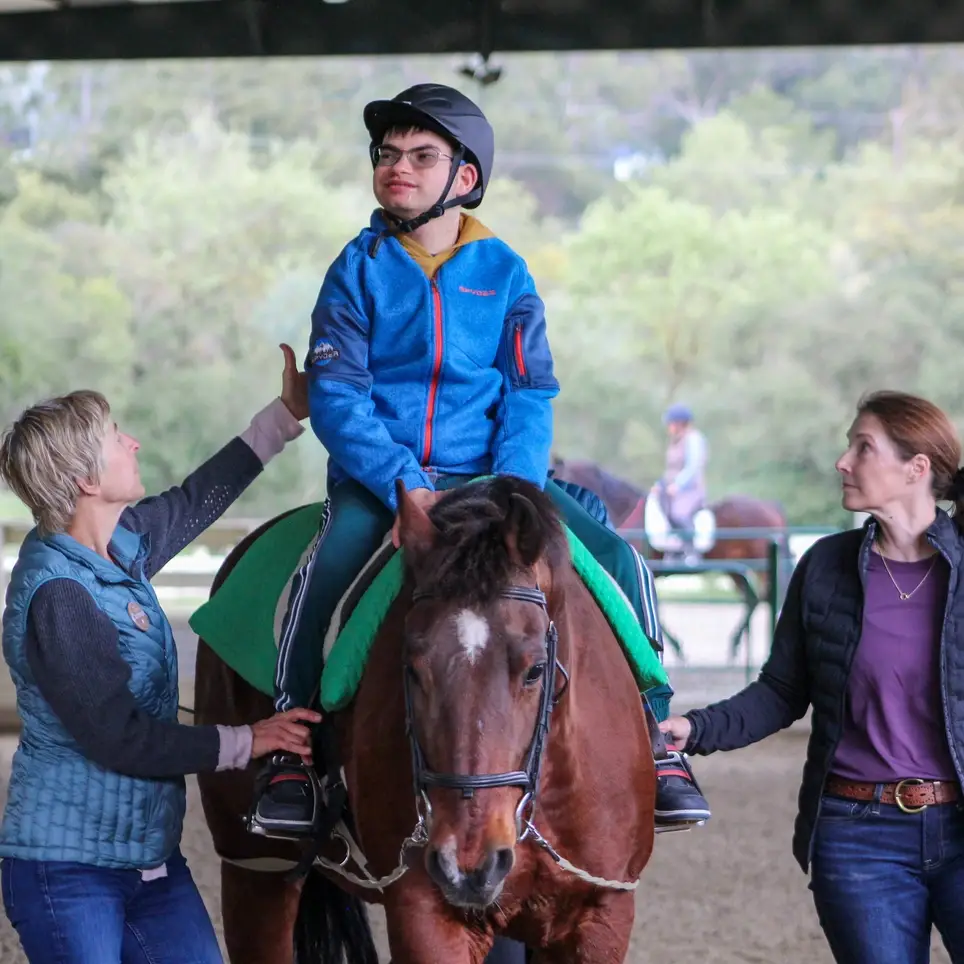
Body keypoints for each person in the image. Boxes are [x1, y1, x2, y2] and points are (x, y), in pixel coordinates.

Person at [252, 82, 710, 842]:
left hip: (498, 480)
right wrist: (405, 486)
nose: (398, 166)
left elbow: (531, 391)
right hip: (386, 484)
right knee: (322, 574)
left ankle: (658, 739)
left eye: (421, 155)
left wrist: (513, 490)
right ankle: (291, 754)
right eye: (388, 154)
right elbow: (337, 395)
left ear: (464, 177)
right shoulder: (354, 271)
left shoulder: (507, 273)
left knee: (616, 562)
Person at [0, 345, 321, 964]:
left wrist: (285, 414)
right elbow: (123, 740)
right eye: (118, 436)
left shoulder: (124, 544)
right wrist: (247, 740)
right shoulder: (59, 595)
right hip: (67, 876)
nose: (135, 443)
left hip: (150, 863)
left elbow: (200, 496)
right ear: (86, 481)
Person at [659, 389, 964, 964]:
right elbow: (781, 693)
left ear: (915, 468)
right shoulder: (824, 566)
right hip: (858, 838)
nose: (842, 461)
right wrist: (695, 729)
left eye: (862, 446)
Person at [652, 403, 708, 564]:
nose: (668, 427)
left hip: (691, 490)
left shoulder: (694, 439)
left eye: (671, 423)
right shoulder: (675, 441)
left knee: (679, 513)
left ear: (680, 423)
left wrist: (678, 484)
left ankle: (692, 551)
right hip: (673, 489)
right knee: (662, 511)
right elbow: (671, 469)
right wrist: (660, 483)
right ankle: (676, 548)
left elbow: (693, 466)